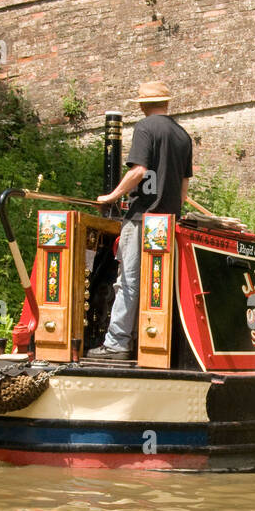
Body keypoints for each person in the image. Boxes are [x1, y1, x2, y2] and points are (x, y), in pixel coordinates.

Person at [88, 81, 193, 360]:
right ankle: (155, 343)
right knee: (158, 283)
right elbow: (183, 192)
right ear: (167, 103)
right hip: (168, 222)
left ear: (143, 105)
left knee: (129, 280)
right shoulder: (183, 136)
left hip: (141, 218)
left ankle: (117, 342)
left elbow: (139, 170)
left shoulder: (145, 128)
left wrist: (111, 196)